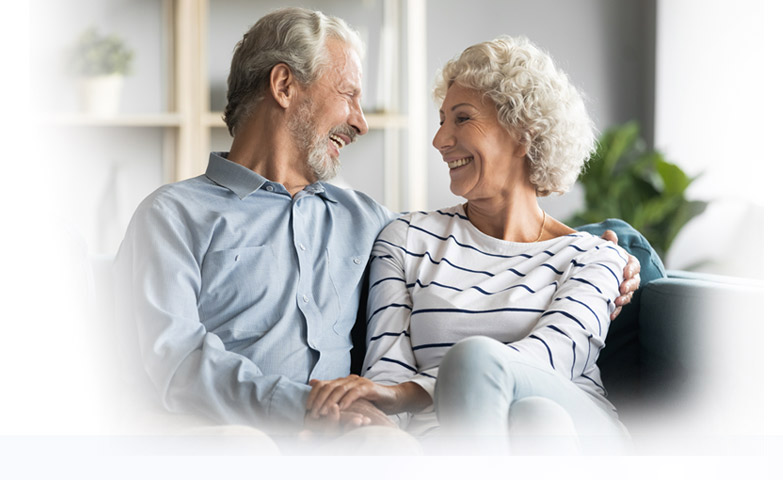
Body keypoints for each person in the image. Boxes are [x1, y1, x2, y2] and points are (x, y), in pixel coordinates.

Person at [113, 9, 638, 452]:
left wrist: (620, 252)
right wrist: (305, 407)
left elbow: (504, 240)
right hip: (225, 433)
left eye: (459, 119)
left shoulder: (366, 219)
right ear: (284, 86)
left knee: (406, 446)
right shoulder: (173, 215)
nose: (362, 122)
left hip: (348, 431)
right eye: (349, 95)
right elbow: (175, 359)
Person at [306, 35, 632, 454]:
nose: (440, 139)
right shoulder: (407, 240)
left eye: (461, 119)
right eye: (441, 120)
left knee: (532, 407)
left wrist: (409, 392)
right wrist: (372, 409)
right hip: (446, 443)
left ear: (523, 133)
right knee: (533, 418)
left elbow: (550, 359)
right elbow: (385, 374)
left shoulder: (598, 258)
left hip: (581, 430)